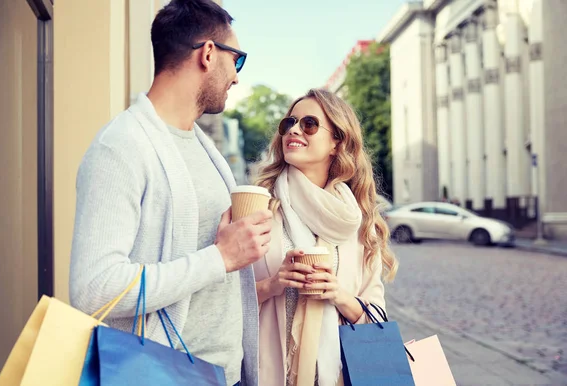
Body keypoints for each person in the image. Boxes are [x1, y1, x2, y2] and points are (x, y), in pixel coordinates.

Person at [69, 1, 270, 385]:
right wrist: (220, 257)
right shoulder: (121, 146)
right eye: (237, 60)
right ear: (209, 54)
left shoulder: (204, 149)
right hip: (162, 376)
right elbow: (94, 290)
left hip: (223, 376)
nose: (237, 77)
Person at [253, 89, 398, 386]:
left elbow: (376, 315)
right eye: (288, 123)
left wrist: (339, 295)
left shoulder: (356, 219)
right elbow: (223, 300)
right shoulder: (259, 207)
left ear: (336, 142)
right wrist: (273, 284)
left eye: (309, 124)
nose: (294, 129)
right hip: (266, 372)